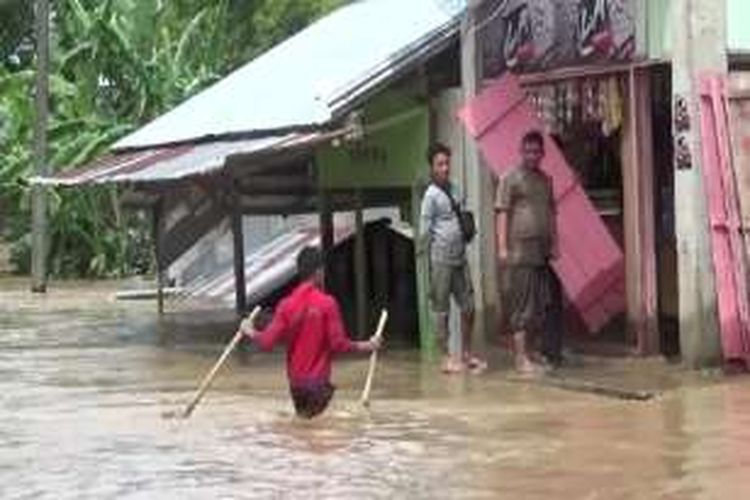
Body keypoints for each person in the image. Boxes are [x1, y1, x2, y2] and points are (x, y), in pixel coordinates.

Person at [241, 246, 381, 419]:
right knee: (321, 433)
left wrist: (250, 331)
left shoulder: (286, 305)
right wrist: (368, 345)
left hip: (296, 387)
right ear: (319, 272)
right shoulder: (327, 303)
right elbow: (338, 344)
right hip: (318, 386)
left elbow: (267, 342)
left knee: (304, 428)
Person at [419, 142, 486, 374]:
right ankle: (446, 357)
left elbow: (462, 213)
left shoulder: (456, 188)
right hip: (439, 259)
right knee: (441, 310)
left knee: (469, 306)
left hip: (460, 256)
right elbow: (424, 231)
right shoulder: (429, 195)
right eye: (440, 164)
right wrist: (426, 264)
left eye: (447, 163)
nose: (445, 168)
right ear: (432, 167)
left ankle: (466, 353)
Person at [495, 130, 559, 375]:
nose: (532, 155)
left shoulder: (546, 180)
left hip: (541, 252)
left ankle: (531, 352)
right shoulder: (510, 179)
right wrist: (502, 247)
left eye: (536, 151)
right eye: (528, 151)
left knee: (539, 304)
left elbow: (552, 214)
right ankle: (520, 358)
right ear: (521, 151)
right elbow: (502, 212)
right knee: (521, 304)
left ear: (542, 154)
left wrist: (556, 244)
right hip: (519, 251)